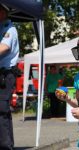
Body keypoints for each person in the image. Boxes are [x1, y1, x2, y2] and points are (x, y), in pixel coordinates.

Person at [0, 4, 19, 150]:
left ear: (5, 12)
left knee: (2, 109)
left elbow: (4, 47)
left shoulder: (9, 28)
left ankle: (6, 146)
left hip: (5, 74)